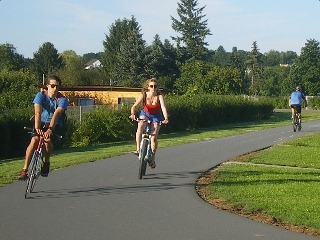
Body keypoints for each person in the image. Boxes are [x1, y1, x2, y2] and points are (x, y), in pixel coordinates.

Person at [19, 75, 68, 180]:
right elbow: (37, 112)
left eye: (57, 87)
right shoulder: (40, 95)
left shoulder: (62, 99)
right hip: (40, 122)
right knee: (34, 140)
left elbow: (56, 114)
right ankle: (24, 170)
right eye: (53, 86)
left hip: (54, 124)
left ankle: (46, 162)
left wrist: (50, 129)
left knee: (47, 140)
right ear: (47, 86)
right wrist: (37, 128)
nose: (55, 89)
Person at [129, 78, 169, 169]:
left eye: (155, 86)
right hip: (145, 114)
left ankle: (153, 158)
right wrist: (132, 114)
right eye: (151, 86)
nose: (153, 88)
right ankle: (138, 149)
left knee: (153, 138)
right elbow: (134, 106)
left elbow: (163, 108)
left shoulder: (159, 96)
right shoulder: (144, 95)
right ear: (148, 87)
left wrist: (166, 118)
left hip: (156, 116)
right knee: (140, 125)